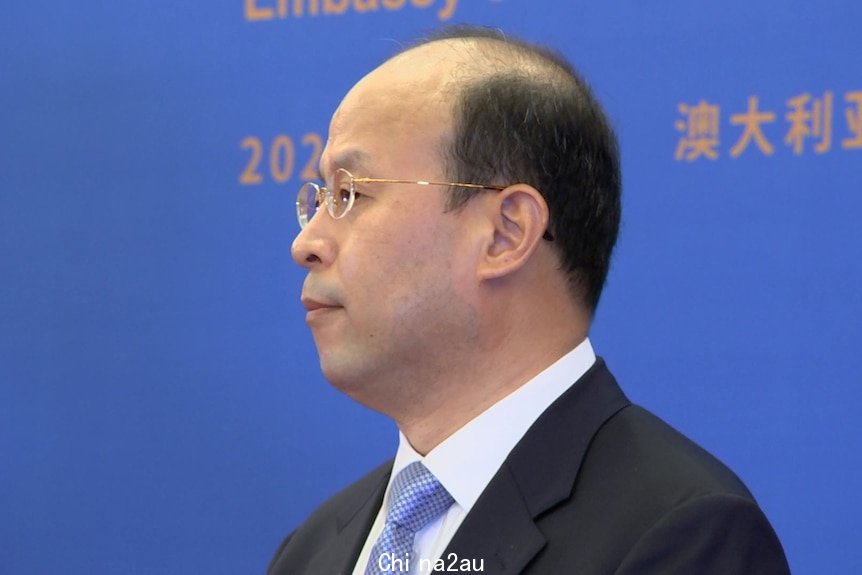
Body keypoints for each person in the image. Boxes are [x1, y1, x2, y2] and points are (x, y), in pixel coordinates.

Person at [269, 25, 790, 575]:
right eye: (321, 198)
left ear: (506, 234)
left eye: (352, 194)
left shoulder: (680, 535)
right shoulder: (311, 551)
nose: (307, 243)